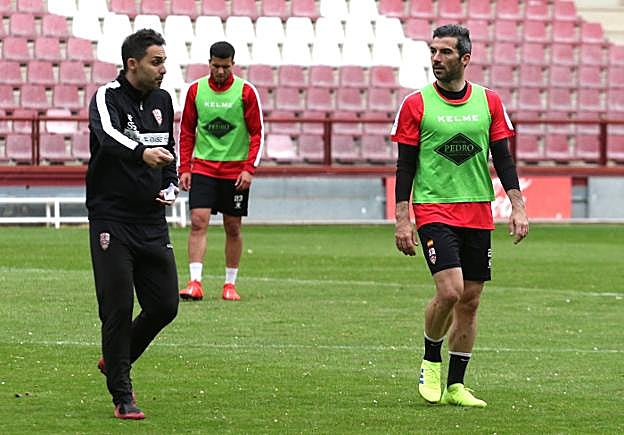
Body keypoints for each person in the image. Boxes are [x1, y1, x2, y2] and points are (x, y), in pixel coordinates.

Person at [391, 24, 529, 408]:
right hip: (434, 208)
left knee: (470, 300)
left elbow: (503, 159)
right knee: (450, 291)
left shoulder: (489, 102)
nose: (437, 58)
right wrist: (403, 218)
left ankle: (456, 386)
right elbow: (405, 166)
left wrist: (517, 205)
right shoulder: (416, 104)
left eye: (446, 52)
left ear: (465, 58)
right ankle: (430, 360)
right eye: (433, 51)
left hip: (477, 209)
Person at [86, 29, 180, 420]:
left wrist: (171, 184)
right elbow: (108, 136)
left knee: (165, 305)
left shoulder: (163, 100)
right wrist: (142, 152)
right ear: (132, 64)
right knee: (118, 307)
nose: (163, 69)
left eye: (164, 62)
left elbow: (170, 149)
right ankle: (122, 396)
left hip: (151, 220)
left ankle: (116, 357)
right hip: (112, 218)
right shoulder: (106, 97)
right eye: (156, 62)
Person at [178, 41, 264, 302]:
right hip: (204, 167)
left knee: (233, 227)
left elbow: (257, 133)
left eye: (225, 67)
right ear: (209, 63)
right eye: (216, 66)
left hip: (235, 171)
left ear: (233, 64)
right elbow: (186, 131)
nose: (220, 71)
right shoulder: (196, 90)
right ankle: (195, 282)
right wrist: (185, 167)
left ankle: (230, 284)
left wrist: (249, 169)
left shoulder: (246, 92)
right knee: (198, 221)